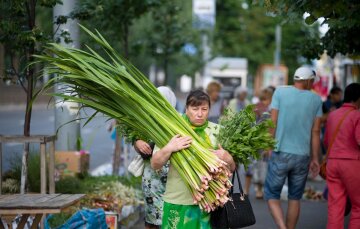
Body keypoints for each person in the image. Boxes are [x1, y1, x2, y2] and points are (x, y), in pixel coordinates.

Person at [151, 89, 236, 228]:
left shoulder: (218, 131)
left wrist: (228, 158)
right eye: (195, 109)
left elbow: (232, 168)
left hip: (208, 204)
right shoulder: (172, 130)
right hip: (176, 201)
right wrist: (170, 147)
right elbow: (155, 164)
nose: (200, 114)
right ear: (186, 108)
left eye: (204, 109)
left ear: (210, 109)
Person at [264, 66, 322, 229]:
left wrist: (268, 144)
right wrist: (315, 159)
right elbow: (316, 132)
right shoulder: (316, 100)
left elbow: (272, 122)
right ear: (309, 81)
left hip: (280, 152)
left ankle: (282, 228)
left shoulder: (280, 93)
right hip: (302, 156)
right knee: (295, 198)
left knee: (271, 195)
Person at [133, 86, 177, 229]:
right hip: (152, 179)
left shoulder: (179, 122)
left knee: (171, 219)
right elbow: (135, 139)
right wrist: (137, 142)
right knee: (151, 219)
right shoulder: (146, 120)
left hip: (172, 178)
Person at [324, 83, 360, 229]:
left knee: (335, 206)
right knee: (358, 206)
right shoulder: (357, 115)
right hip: (352, 163)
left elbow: (326, 141)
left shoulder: (333, 115)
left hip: (332, 163)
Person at [245, 87, 274, 199]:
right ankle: (253, 190)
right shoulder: (264, 109)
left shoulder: (258, 108)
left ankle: (252, 190)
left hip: (257, 142)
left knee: (256, 168)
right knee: (257, 168)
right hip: (258, 142)